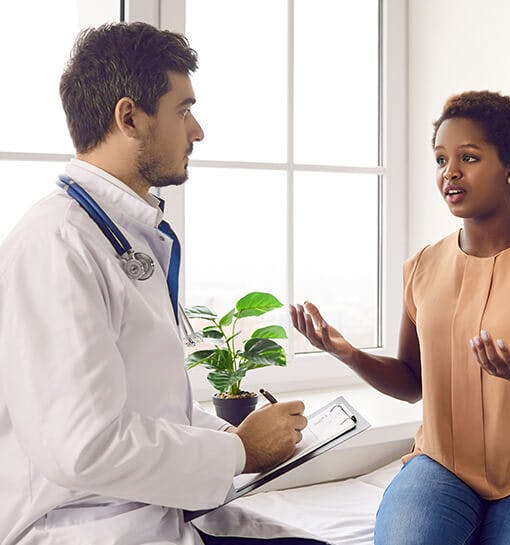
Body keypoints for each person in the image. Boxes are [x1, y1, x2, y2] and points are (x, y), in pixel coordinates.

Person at [0, 22, 323, 545]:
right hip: (85, 528)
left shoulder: (116, 234)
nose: (197, 131)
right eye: (183, 110)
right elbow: (83, 446)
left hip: (149, 512)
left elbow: (142, 403)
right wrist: (239, 452)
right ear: (129, 117)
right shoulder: (56, 246)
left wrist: (228, 434)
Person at [291, 90, 510, 545]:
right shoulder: (422, 267)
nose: (449, 172)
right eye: (440, 160)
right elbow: (411, 382)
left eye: (469, 158)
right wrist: (349, 354)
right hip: (441, 466)